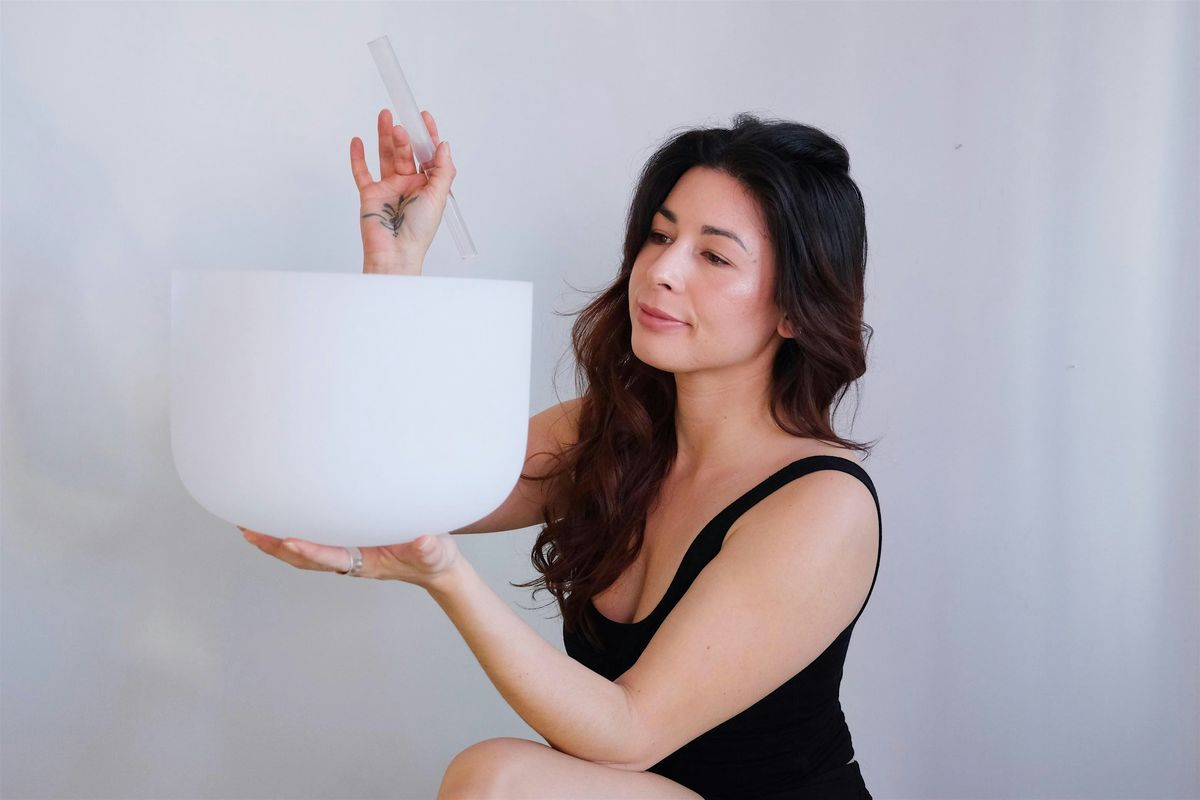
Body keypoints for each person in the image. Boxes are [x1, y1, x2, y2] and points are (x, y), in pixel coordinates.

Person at [242, 107, 882, 799]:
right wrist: (393, 268)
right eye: (660, 235)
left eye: (714, 256)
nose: (661, 270)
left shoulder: (821, 504)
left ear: (793, 308)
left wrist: (448, 580)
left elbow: (630, 734)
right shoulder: (608, 434)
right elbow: (388, 482)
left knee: (501, 780)